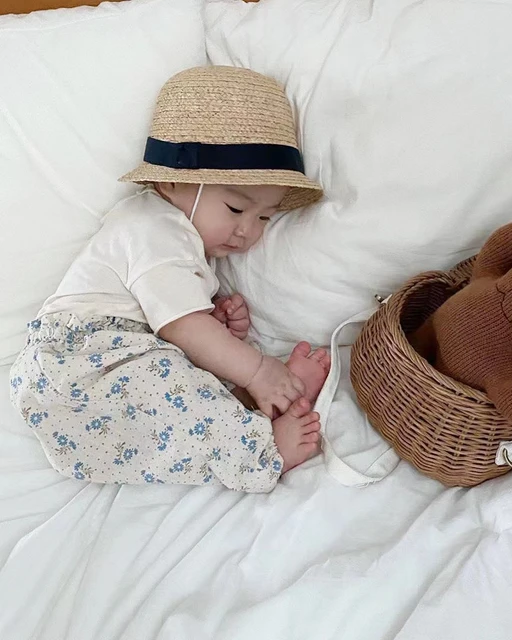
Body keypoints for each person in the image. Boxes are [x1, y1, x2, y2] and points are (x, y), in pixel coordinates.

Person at [9, 66, 328, 492]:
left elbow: (175, 319)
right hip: (79, 369)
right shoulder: (154, 228)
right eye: (236, 209)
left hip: (113, 366)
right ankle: (258, 451)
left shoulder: (179, 236)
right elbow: (179, 325)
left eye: (265, 217)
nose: (248, 230)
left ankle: (249, 409)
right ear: (172, 182)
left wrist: (215, 321)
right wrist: (257, 369)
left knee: (178, 375)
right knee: (166, 376)